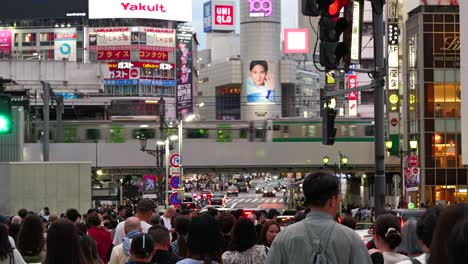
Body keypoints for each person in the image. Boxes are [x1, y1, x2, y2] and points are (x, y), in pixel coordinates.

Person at [266, 172, 372, 264]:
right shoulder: (352, 239)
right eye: (339, 197)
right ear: (332, 200)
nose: (340, 200)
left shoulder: (284, 237)